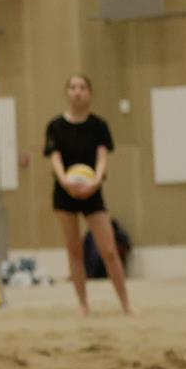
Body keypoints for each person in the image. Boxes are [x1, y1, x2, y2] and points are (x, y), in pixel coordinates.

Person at [44, 74, 131, 315]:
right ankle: (83, 306)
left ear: (89, 93)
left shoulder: (99, 126)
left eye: (82, 87)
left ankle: (126, 304)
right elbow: (55, 158)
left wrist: (94, 182)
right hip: (65, 194)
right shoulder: (55, 126)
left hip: (92, 192)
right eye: (73, 87)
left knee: (109, 250)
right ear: (67, 92)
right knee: (74, 251)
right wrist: (65, 182)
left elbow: (102, 159)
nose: (77, 91)